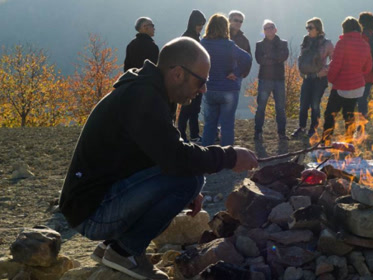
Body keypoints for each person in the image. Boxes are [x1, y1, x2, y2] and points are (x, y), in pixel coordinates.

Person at [59, 37, 258, 280]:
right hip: (92, 212)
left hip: (94, 202)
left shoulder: (152, 92)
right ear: (177, 74)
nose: (204, 89)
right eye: (201, 81)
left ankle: (112, 246)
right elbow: (176, 158)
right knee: (190, 179)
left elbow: (158, 152)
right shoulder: (143, 98)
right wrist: (229, 156)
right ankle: (124, 251)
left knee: (187, 178)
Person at [200, 14, 252, 146]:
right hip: (228, 89)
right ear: (225, 27)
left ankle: (206, 156)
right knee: (227, 125)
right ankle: (227, 157)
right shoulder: (229, 45)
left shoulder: (203, 43)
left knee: (209, 125)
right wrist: (236, 73)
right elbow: (247, 58)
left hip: (209, 88)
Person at [323, 17, 372, 141]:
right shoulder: (365, 44)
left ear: (345, 29)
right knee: (349, 115)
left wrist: (331, 79)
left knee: (330, 115)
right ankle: (349, 143)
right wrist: (358, 73)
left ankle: (325, 142)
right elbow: (368, 67)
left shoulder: (342, 43)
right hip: (357, 86)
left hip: (342, 86)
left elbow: (335, 65)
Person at [292, 17, 334, 138]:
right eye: (307, 28)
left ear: (318, 29)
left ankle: (313, 129)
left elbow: (334, 60)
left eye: (310, 28)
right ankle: (302, 127)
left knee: (315, 104)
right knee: (303, 104)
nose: (308, 30)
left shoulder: (327, 44)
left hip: (319, 79)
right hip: (307, 77)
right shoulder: (306, 41)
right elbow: (301, 57)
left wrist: (324, 71)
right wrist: (300, 69)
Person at [254, 20, 289, 141]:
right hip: (264, 79)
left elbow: (283, 57)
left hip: (279, 79)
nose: (269, 29)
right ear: (264, 31)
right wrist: (275, 58)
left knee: (280, 107)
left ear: (275, 29)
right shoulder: (259, 45)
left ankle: (282, 133)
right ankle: (258, 132)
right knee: (261, 107)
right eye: (266, 28)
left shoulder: (283, 43)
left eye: (271, 27)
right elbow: (260, 60)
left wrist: (268, 56)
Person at [178, 10, 207, 143]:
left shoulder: (193, 36)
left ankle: (192, 135)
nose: (201, 26)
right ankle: (183, 135)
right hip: (190, 79)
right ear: (193, 23)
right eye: (198, 23)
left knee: (194, 108)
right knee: (188, 108)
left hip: (195, 78)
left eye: (202, 24)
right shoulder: (189, 38)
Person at [357, 11, 373, 120]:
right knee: (363, 98)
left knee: (358, 99)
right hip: (371, 74)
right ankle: (362, 126)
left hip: (361, 73)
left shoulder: (362, 37)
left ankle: (360, 128)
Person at [228, 10, 252, 78]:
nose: (238, 23)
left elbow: (249, 59)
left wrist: (243, 74)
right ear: (229, 20)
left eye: (241, 21)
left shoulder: (244, 40)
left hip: (236, 77)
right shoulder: (221, 36)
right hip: (219, 75)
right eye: (236, 20)